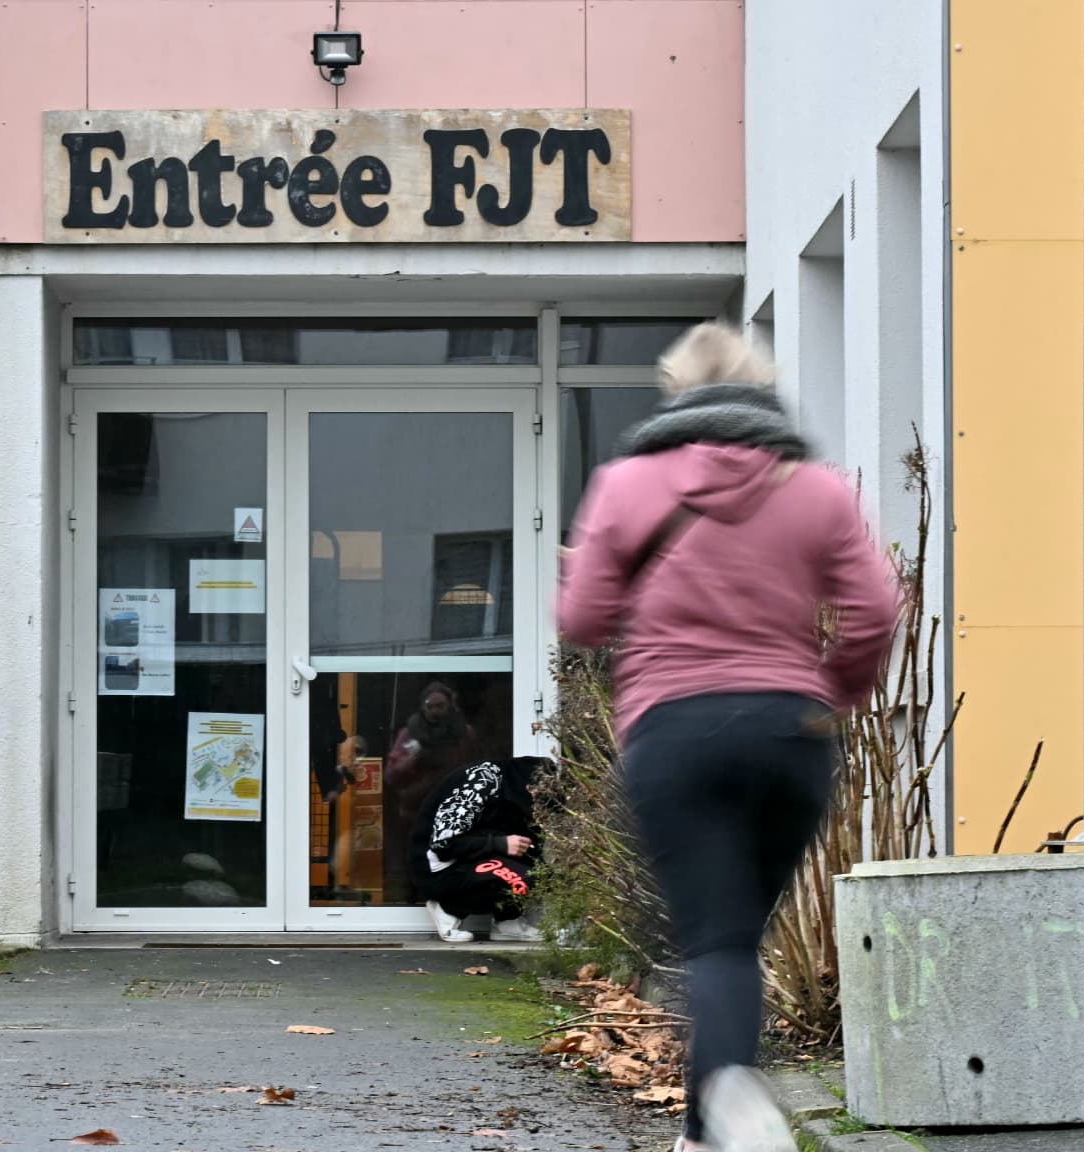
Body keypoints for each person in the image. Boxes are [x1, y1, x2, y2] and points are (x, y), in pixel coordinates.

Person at [556, 322, 897, 1152]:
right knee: (736, 936)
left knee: (714, 940)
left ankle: (727, 1107)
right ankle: (710, 1126)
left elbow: (582, 618)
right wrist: (836, 691)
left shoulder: (626, 485)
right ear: (762, 391)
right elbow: (877, 612)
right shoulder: (814, 490)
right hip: (791, 733)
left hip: (675, 733)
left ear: (677, 395)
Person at [408, 755, 549, 943]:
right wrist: (500, 844)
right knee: (523, 877)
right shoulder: (480, 780)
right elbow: (444, 844)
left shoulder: (509, 789)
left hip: (470, 859)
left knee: (541, 873)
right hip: (439, 869)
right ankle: (448, 908)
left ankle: (507, 921)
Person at [382, 681, 477, 902]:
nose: (434, 711)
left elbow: (474, 768)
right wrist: (412, 758)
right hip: (414, 810)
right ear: (422, 707)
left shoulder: (463, 733)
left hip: (452, 809)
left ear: (450, 706)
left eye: (440, 706)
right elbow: (391, 776)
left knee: (450, 861)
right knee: (415, 862)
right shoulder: (410, 733)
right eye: (429, 706)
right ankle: (412, 901)